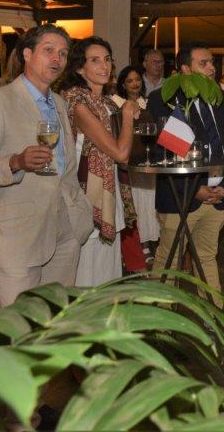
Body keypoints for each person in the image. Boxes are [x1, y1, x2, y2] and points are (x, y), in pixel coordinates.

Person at [0, 24, 93, 306]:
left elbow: (65, 167)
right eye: (49, 50)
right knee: (20, 322)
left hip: (66, 228)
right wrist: (16, 162)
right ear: (27, 54)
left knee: (56, 318)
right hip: (19, 234)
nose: (57, 59)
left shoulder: (59, 102)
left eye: (63, 53)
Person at [148, 42, 224, 294]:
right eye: (204, 63)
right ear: (186, 69)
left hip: (219, 197)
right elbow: (163, 154)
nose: (212, 68)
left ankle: (213, 312)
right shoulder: (164, 100)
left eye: (212, 62)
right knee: (168, 260)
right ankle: (157, 314)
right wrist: (195, 188)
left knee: (207, 257)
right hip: (181, 196)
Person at [59, 37, 143, 285]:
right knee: (86, 272)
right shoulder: (76, 101)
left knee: (108, 270)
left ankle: (107, 309)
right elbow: (120, 153)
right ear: (79, 68)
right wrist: (127, 115)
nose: (104, 66)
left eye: (107, 59)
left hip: (110, 190)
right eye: (94, 60)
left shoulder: (107, 102)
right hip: (87, 194)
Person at [113, 64, 158, 263]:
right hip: (128, 162)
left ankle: (149, 242)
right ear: (123, 84)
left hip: (147, 160)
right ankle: (137, 248)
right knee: (134, 203)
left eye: (138, 79)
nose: (135, 84)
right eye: (130, 80)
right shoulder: (116, 103)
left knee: (149, 203)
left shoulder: (147, 103)